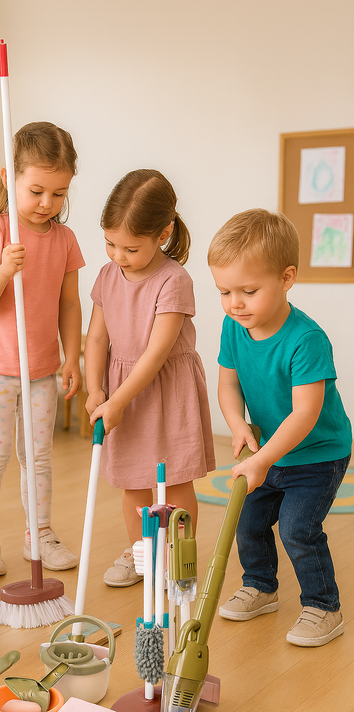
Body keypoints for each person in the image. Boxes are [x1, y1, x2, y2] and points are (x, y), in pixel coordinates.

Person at [208, 208, 352, 647]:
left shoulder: (306, 339)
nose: (235, 303)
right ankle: (261, 586)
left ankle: (324, 607)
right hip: (270, 449)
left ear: (287, 278)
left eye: (248, 291)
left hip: (316, 452)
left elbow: (305, 415)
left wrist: (264, 458)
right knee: (249, 519)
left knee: (296, 527)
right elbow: (228, 385)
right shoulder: (234, 328)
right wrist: (236, 424)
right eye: (224, 291)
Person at [85, 169, 216, 587]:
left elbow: (157, 353)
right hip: (121, 392)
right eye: (110, 243)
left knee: (174, 485)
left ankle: (179, 559)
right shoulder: (107, 276)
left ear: (164, 233)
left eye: (130, 248)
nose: (118, 256)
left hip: (165, 389)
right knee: (133, 485)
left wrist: (119, 399)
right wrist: (96, 390)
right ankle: (140, 554)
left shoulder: (174, 280)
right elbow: (96, 336)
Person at [0, 121, 84, 577]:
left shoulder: (65, 240)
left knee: (37, 458)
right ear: (7, 178)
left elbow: (69, 304)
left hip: (41, 370)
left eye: (58, 193)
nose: (46, 204)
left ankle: (40, 533)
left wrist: (71, 357)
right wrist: (1, 271)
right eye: (36, 191)